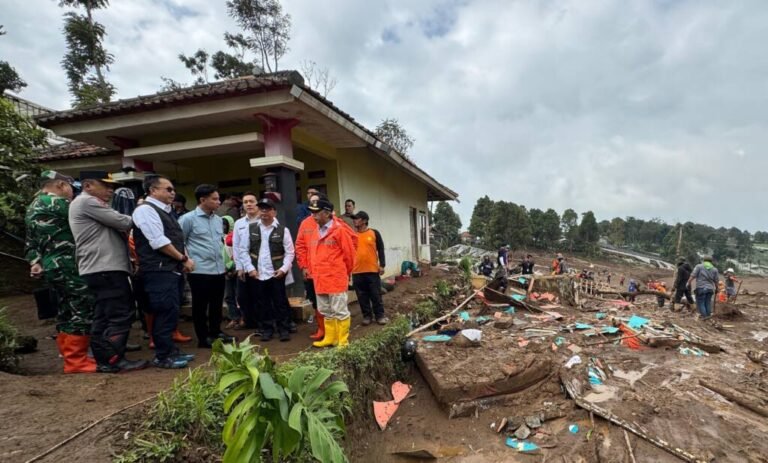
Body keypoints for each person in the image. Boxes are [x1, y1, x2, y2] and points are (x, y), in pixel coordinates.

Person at [69, 171, 148, 373]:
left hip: (98, 268)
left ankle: (103, 357)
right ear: (87, 185)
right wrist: (142, 210)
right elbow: (125, 222)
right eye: (104, 185)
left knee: (103, 315)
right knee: (120, 313)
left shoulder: (84, 203)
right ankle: (113, 359)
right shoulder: (87, 202)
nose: (110, 189)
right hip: (105, 267)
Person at [25, 171, 97, 373]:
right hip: (67, 263)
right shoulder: (57, 203)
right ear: (61, 185)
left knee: (67, 308)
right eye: (70, 188)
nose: (72, 192)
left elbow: (31, 243)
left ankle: (68, 354)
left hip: (51, 265)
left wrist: (35, 262)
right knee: (81, 305)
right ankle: (77, 360)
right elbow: (88, 218)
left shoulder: (32, 206)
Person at [133, 175, 196, 368]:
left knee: (171, 311)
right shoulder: (145, 210)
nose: (173, 192)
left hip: (171, 270)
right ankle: (163, 356)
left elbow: (177, 239)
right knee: (163, 311)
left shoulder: (167, 212)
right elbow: (158, 241)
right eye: (168, 189)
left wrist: (183, 258)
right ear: (153, 190)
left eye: (173, 189)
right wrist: (182, 258)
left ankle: (170, 350)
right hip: (158, 271)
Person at [179, 184, 234, 348]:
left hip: (218, 269)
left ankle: (216, 332)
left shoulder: (218, 220)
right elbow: (179, 242)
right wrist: (186, 260)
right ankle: (203, 338)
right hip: (199, 270)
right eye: (215, 199)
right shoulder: (187, 219)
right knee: (200, 305)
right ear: (203, 200)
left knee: (217, 304)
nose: (219, 202)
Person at [236, 198, 296, 342]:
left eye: (267, 209)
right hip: (257, 274)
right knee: (261, 303)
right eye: (262, 209)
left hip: (276, 273)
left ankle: (283, 329)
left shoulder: (283, 230)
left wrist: (283, 269)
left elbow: (290, 252)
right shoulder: (251, 229)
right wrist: (250, 268)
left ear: (274, 212)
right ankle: (266, 329)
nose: (264, 212)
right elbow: (243, 250)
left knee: (280, 302)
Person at [305, 199, 358, 348]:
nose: (313, 215)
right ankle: (330, 338)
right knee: (325, 310)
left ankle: (342, 340)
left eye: (317, 212)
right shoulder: (316, 231)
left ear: (327, 213)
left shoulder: (339, 230)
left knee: (340, 311)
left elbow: (350, 256)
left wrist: (344, 273)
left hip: (335, 278)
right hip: (320, 279)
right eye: (312, 212)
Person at [232, 192, 263, 332]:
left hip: (262, 265)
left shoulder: (265, 220)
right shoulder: (239, 223)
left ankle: (263, 323)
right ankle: (249, 321)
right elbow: (236, 246)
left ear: (257, 204)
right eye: (245, 202)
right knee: (243, 296)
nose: (249, 204)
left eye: (251, 201)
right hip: (244, 265)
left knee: (260, 295)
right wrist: (239, 267)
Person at [351, 211, 388, 326]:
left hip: (372, 270)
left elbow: (381, 249)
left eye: (357, 219)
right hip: (357, 271)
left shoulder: (374, 233)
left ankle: (380, 315)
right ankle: (367, 316)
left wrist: (382, 265)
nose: (354, 221)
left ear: (365, 221)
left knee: (375, 294)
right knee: (362, 296)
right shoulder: (352, 235)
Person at [295, 192, 323, 340]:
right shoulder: (305, 223)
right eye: (311, 202)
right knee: (316, 303)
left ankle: (336, 331)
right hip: (311, 272)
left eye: (317, 202)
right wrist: (304, 267)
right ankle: (321, 329)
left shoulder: (334, 222)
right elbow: (300, 246)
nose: (314, 205)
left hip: (327, 272)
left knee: (332, 303)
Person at [222, 215, 241, 329]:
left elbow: (239, 251)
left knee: (240, 296)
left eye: (225, 225)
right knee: (229, 296)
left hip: (236, 269)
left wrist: (232, 267)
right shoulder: (218, 238)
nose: (222, 227)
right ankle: (234, 318)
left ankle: (243, 317)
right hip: (224, 271)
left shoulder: (234, 236)